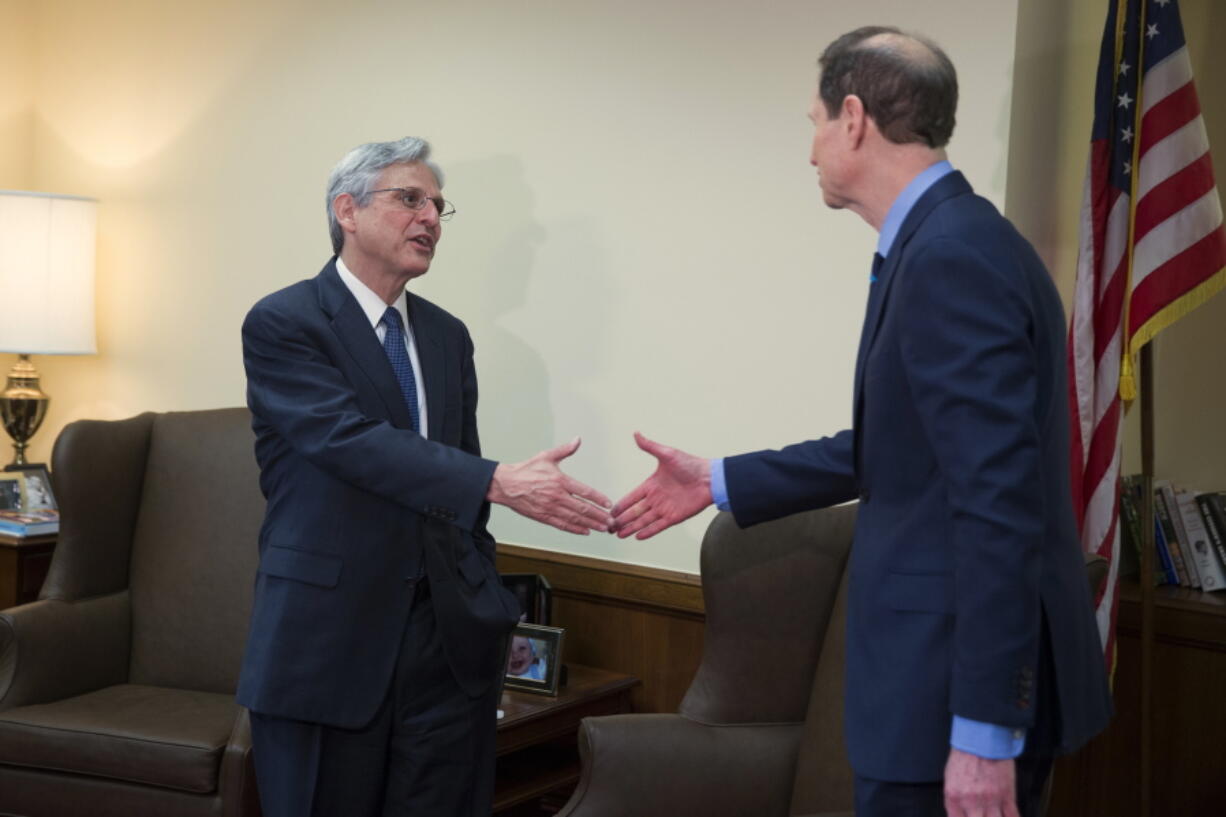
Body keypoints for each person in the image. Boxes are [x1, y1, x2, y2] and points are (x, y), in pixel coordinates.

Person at [611, 27, 1112, 817]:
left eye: (813, 123)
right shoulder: (951, 240)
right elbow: (903, 447)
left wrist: (983, 728)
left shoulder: (951, 256)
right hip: (933, 690)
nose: (810, 150)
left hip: (947, 696)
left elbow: (996, 502)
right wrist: (716, 479)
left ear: (853, 118)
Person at [237, 136, 613, 817]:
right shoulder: (285, 322)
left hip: (446, 646)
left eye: (439, 205)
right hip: (328, 642)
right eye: (410, 199)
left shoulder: (447, 336)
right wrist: (499, 479)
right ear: (345, 210)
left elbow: (458, 481)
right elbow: (348, 441)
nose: (431, 218)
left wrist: (484, 596)